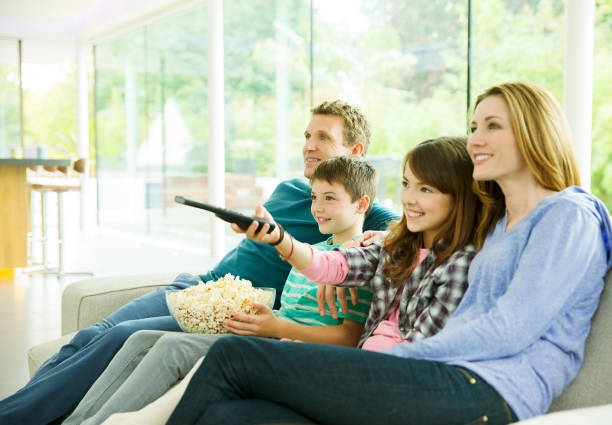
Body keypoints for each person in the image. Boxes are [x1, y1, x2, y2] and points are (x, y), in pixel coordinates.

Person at [165, 82, 612, 425]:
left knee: (234, 356)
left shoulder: (568, 215)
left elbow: (510, 329)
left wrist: (393, 358)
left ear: (535, 132)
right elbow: (427, 234)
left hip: (486, 388)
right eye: (474, 126)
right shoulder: (496, 222)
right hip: (439, 374)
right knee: (231, 418)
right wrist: (382, 237)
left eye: (493, 126)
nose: (476, 138)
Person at [0, 101, 398, 425]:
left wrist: (372, 241)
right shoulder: (293, 188)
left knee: (124, 335)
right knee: (96, 334)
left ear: (355, 152)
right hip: (200, 285)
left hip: (230, 309)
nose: (309, 145)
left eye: (323, 137)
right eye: (307, 135)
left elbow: (408, 235)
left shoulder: (360, 211)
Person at [62, 155, 378, 425]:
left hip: (293, 352)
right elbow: (293, 284)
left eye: (330, 198)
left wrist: (276, 326)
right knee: (141, 338)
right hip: (266, 337)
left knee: (173, 348)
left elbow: (348, 337)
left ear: (361, 203)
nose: (318, 208)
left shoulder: (358, 265)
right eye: (314, 197)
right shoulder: (313, 254)